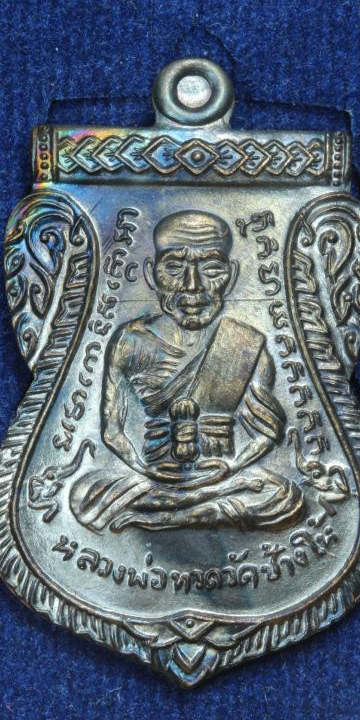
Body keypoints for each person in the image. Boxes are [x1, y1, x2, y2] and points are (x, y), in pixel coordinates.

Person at [69, 210, 303, 532]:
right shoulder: (132, 341)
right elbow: (112, 431)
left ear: (232, 276)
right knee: (85, 493)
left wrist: (230, 468)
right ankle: (197, 512)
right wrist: (143, 468)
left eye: (211, 268)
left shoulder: (244, 344)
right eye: (174, 267)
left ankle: (162, 516)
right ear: (151, 274)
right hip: (154, 478)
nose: (193, 286)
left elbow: (266, 434)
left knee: (284, 495)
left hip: (221, 477)